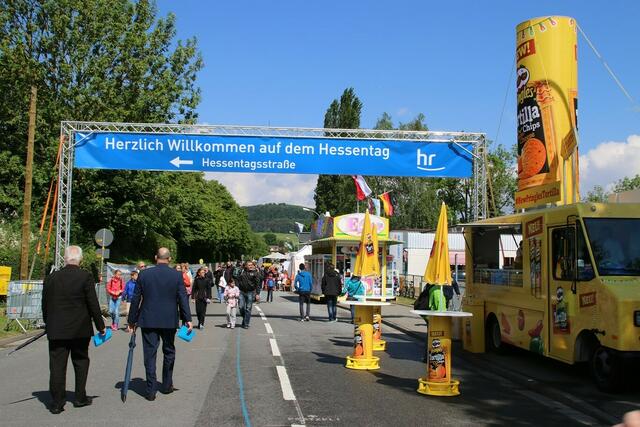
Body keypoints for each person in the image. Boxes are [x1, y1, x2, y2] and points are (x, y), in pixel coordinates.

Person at [42, 245, 105, 414]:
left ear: (65, 258)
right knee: (81, 361)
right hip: (80, 329)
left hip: (56, 329)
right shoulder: (85, 277)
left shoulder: (51, 278)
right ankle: (79, 397)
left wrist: (47, 322)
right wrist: (100, 326)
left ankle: (57, 403)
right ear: (81, 259)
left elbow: (45, 303)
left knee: (57, 365)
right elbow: (93, 303)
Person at [127, 247, 192, 401]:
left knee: (150, 354)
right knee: (169, 351)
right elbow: (182, 297)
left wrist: (132, 320)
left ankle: (151, 390)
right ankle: (167, 384)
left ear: (156, 257)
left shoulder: (144, 274)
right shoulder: (177, 275)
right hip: (169, 319)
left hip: (148, 319)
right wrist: (187, 318)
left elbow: (136, 298)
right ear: (169, 259)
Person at [237, 261, 262, 329]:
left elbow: (258, 284)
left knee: (248, 308)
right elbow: (237, 280)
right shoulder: (241, 271)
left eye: (251, 265)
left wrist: (257, 294)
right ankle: (245, 318)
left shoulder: (255, 273)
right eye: (249, 265)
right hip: (241, 292)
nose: (250, 266)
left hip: (250, 292)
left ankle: (246, 323)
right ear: (246, 266)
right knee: (241, 307)